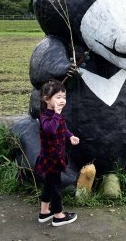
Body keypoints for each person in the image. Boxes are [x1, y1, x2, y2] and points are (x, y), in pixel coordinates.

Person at [35, 80, 80, 226]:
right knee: (55, 186)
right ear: (46, 99)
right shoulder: (45, 117)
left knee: (49, 183)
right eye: (58, 97)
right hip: (51, 158)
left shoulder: (56, 115)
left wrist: (70, 136)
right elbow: (51, 129)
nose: (62, 100)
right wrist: (57, 113)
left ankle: (44, 212)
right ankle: (58, 215)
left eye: (64, 97)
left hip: (57, 156)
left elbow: (62, 128)